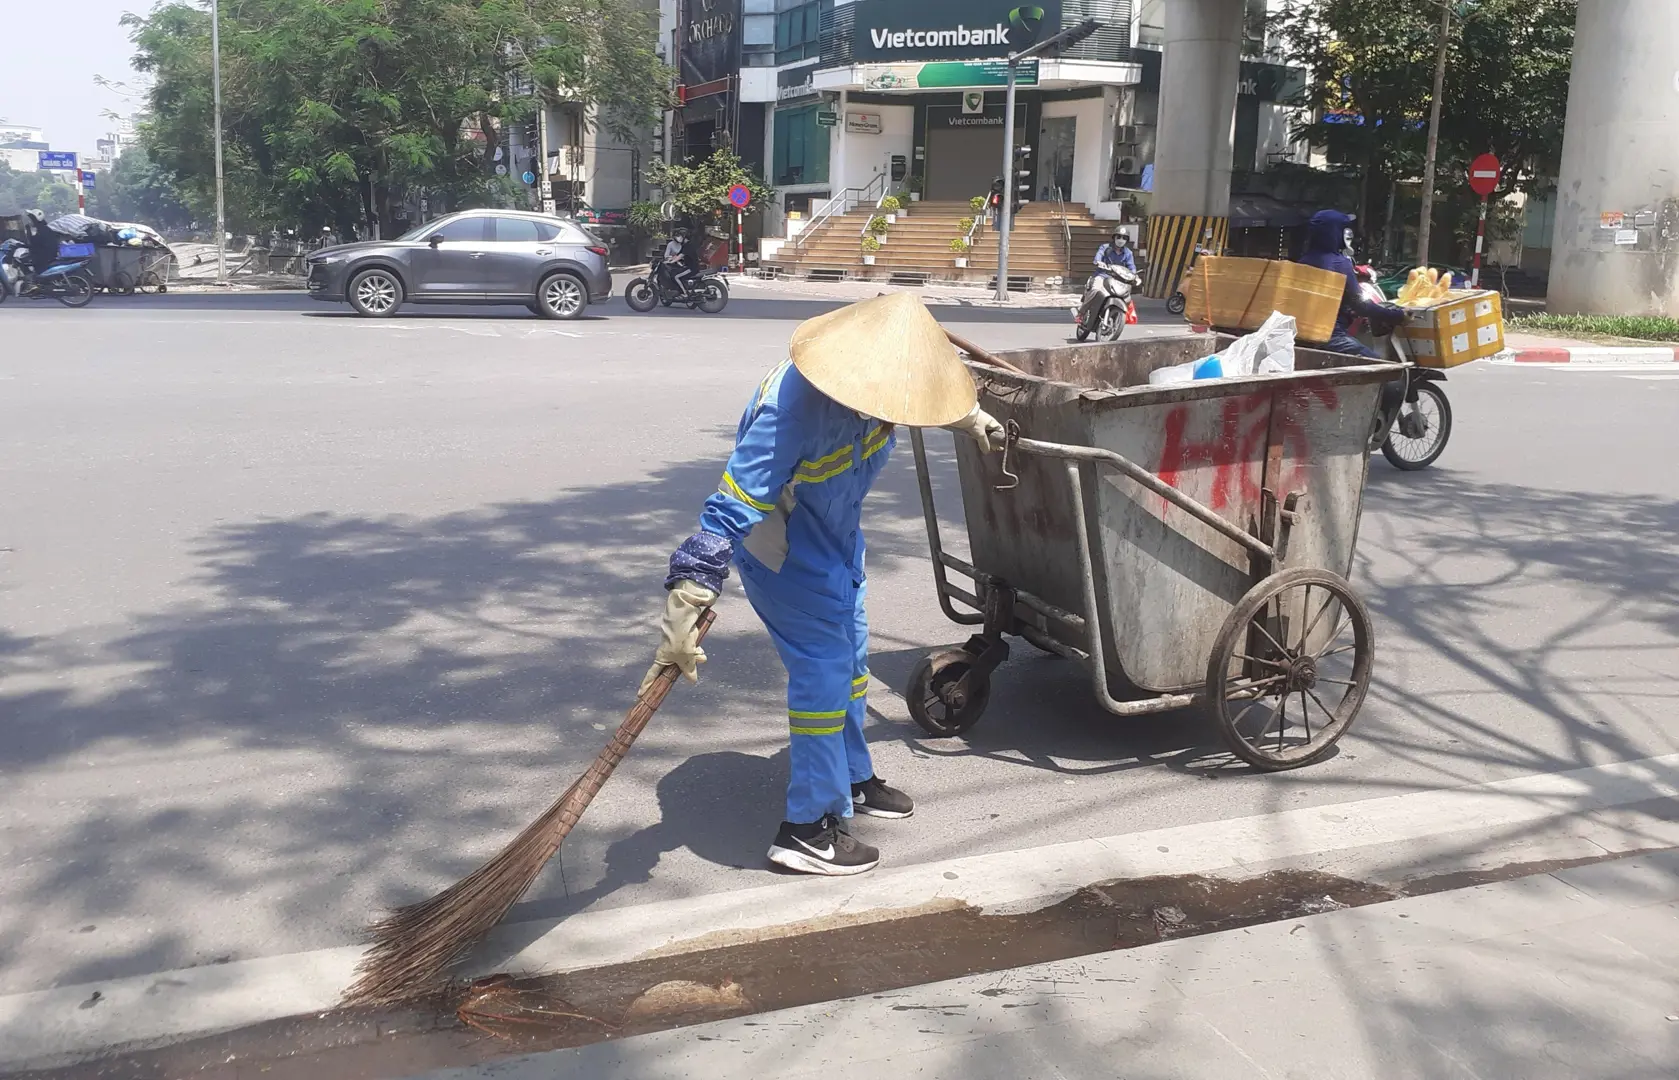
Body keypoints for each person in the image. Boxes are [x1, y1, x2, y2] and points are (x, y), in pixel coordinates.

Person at [640, 293, 1006, 877]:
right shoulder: (795, 408)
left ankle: (853, 779)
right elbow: (734, 499)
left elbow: (921, 397)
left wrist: (966, 416)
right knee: (824, 676)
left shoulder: (881, 391)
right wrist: (690, 591)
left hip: (837, 546)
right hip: (784, 556)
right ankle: (806, 829)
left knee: (854, 667)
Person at [1297, 210, 1405, 358]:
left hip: (1301, 334)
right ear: (1334, 232)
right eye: (1343, 229)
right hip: (1330, 336)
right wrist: (1397, 316)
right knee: (1377, 365)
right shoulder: (1339, 263)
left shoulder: (1303, 261)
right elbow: (1361, 305)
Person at [1076, 229, 1137, 325]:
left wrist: (1134, 274)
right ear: (1114, 237)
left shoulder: (1128, 253)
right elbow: (1098, 257)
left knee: (1126, 296)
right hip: (1102, 275)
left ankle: (1117, 317)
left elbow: (1132, 266)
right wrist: (1098, 262)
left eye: (1124, 238)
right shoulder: (1105, 247)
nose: (1121, 240)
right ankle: (1081, 313)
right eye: (1118, 237)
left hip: (1118, 280)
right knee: (1095, 290)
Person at [661, 228, 693, 297]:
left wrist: (673, 261)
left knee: (675, 276)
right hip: (682, 266)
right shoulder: (681, 245)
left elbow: (680, 256)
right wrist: (671, 260)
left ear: (684, 236)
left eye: (679, 236)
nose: (678, 237)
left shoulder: (688, 245)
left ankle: (685, 293)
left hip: (690, 267)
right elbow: (676, 255)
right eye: (677, 235)